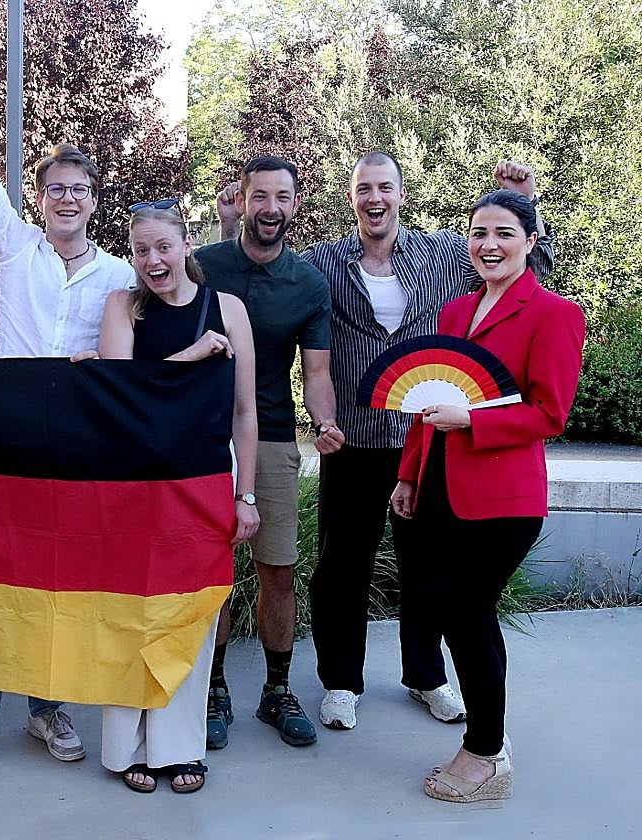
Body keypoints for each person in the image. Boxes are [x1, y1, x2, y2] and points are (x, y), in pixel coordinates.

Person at [219, 154, 554, 731]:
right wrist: (229, 228)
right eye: (363, 189)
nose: (375, 198)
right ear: (351, 198)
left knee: (427, 567)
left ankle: (425, 675)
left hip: (428, 440)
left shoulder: (445, 252)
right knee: (340, 565)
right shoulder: (324, 261)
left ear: (401, 194)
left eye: (385, 188)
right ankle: (341, 681)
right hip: (351, 438)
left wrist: (532, 212)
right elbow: (257, 281)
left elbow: (522, 281)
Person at [0, 44, 135, 794]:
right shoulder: (14, 251)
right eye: (55, 190)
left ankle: (47, 708)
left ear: (94, 200)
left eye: (79, 189)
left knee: (59, 584)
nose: (67, 199)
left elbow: (170, 321)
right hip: (7, 442)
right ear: (40, 200)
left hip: (78, 448)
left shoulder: (122, 275)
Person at [391, 190, 584, 802]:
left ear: (530, 240)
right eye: (478, 233)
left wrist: (473, 421)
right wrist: (409, 474)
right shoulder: (455, 313)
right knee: (455, 612)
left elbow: (550, 413)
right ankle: (486, 742)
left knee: (469, 614)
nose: (488, 244)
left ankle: (485, 753)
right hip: (442, 488)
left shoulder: (553, 313)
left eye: (504, 232)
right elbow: (428, 406)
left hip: (504, 498)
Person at [97, 203, 259, 794]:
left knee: (189, 615)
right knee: (130, 615)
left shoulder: (229, 310)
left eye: (162, 246)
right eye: (141, 250)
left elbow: (246, 412)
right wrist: (192, 356)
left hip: (202, 486)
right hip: (130, 488)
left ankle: (180, 745)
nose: (152, 261)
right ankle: (128, 747)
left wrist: (246, 494)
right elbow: (119, 393)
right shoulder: (123, 306)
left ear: (185, 243)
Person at [194, 155, 343, 751]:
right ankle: (214, 690)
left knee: (277, 570)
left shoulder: (308, 282)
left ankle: (276, 691)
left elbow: (318, 370)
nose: (271, 209)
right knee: (213, 575)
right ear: (244, 199)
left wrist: (324, 419)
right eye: (261, 197)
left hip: (276, 436)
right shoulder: (207, 264)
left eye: (283, 197)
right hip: (203, 437)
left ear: (295, 204)